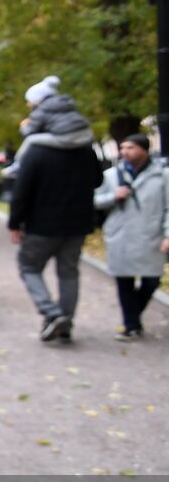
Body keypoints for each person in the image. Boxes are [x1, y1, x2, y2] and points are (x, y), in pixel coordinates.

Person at [7, 79, 104, 342]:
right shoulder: (84, 148)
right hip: (78, 223)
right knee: (69, 273)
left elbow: (21, 191)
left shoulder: (36, 151)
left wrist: (15, 223)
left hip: (42, 225)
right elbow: (98, 180)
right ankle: (66, 324)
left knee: (28, 266)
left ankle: (51, 313)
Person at [93, 133, 169, 340]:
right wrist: (113, 196)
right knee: (124, 281)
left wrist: (167, 234)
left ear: (144, 150)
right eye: (123, 148)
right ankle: (131, 325)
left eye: (130, 148)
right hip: (121, 235)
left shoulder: (162, 175)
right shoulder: (111, 175)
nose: (124, 152)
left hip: (151, 234)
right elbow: (94, 200)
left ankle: (132, 317)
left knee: (152, 279)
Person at [1, 75, 94, 180]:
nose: (28, 104)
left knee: (30, 140)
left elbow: (30, 132)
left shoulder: (41, 110)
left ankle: (17, 166)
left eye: (29, 100)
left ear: (37, 99)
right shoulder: (67, 104)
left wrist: (24, 126)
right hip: (85, 135)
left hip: (66, 138)